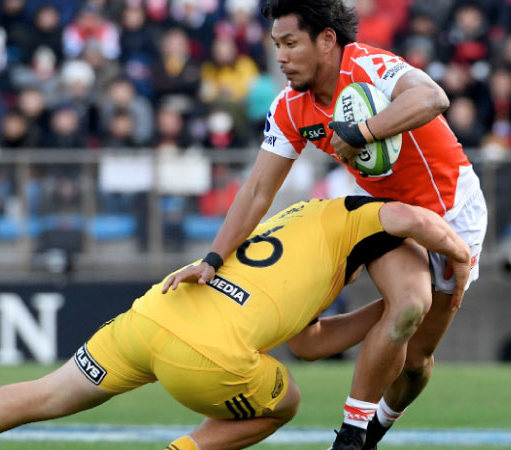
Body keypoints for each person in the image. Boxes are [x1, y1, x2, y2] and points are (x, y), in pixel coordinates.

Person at [0, 196, 471, 450]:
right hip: (208, 356)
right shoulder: (364, 217)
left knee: (47, 392)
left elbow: (311, 342)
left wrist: (385, 310)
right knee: (285, 402)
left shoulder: (306, 227)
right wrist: (460, 259)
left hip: (152, 316)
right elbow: (408, 215)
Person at [161, 1, 488, 449]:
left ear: (327, 41)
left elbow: (432, 97)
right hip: (383, 214)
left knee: (416, 361)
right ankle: (352, 435)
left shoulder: (369, 65)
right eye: (276, 45)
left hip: (455, 211)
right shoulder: (289, 107)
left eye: (291, 43)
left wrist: (363, 131)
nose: (280, 56)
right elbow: (257, 190)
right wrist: (214, 258)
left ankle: (377, 427)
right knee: (407, 306)